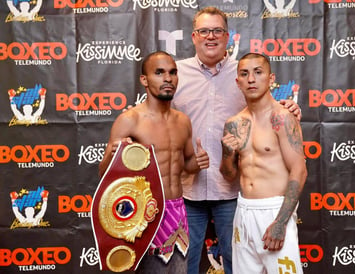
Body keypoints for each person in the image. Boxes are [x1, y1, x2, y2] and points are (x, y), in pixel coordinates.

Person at [171, 6, 302, 274]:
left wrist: (290, 108)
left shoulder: (241, 71)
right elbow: (158, 112)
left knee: (237, 265)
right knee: (184, 264)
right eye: (204, 31)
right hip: (188, 190)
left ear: (227, 36)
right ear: (194, 36)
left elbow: (263, 107)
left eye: (217, 30)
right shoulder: (176, 73)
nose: (211, 36)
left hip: (232, 193)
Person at [98, 51, 209, 274]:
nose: (168, 79)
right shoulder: (130, 120)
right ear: (144, 80)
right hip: (142, 215)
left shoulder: (183, 121)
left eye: (173, 72)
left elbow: (186, 166)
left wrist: (198, 162)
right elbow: (104, 174)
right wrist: (112, 155)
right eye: (159, 73)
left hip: (177, 210)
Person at [220, 53, 307, 274]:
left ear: (270, 79)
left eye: (258, 72)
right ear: (237, 81)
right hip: (244, 211)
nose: (251, 79)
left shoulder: (282, 118)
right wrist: (227, 153)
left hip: (275, 210)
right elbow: (229, 175)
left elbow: (299, 170)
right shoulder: (234, 124)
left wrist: (280, 222)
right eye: (244, 74)